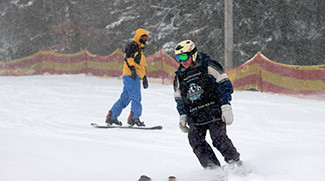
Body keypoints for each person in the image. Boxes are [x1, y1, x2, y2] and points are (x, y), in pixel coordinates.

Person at [173, 40, 241, 169]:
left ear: (193, 54)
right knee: (194, 139)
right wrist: (183, 115)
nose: (182, 61)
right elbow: (179, 98)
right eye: (178, 58)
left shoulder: (208, 66)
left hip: (213, 111)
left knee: (218, 138)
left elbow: (225, 84)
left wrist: (225, 106)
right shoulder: (180, 76)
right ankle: (213, 169)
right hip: (196, 115)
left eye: (184, 56)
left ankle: (236, 164)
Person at [106, 28, 149, 127]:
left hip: (134, 76)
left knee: (125, 98)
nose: (145, 40)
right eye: (143, 37)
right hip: (131, 75)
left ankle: (111, 116)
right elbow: (128, 58)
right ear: (138, 36)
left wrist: (144, 77)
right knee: (136, 97)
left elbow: (141, 67)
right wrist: (133, 69)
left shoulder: (140, 50)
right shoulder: (133, 46)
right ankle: (134, 118)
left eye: (146, 38)